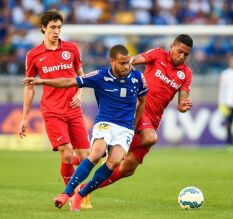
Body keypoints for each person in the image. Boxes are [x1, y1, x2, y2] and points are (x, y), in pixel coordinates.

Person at [24, 44, 148, 211]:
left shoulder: (138, 77)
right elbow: (69, 81)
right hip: (105, 122)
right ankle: (66, 194)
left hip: (125, 128)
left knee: (114, 162)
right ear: (112, 62)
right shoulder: (100, 75)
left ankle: (80, 195)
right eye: (122, 63)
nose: (126, 66)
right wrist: (42, 81)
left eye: (127, 63)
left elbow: (142, 102)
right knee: (96, 154)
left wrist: (133, 126)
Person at [90, 34, 194, 199]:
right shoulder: (158, 54)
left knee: (127, 170)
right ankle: (115, 146)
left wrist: (183, 106)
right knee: (150, 138)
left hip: (154, 119)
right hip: (138, 108)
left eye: (186, 54)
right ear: (172, 46)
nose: (181, 57)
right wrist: (128, 64)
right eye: (179, 51)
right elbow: (135, 59)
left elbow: (182, 100)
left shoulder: (186, 74)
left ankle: (84, 191)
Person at [18, 9, 92, 208]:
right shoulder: (33, 55)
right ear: (43, 28)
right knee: (67, 154)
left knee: (86, 157)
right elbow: (30, 86)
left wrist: (79, 93)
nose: (57, 31)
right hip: (52, 111)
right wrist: (24, 117)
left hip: (73, 109)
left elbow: (80, 75)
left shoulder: (72, 48)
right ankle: (73, 195)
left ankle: (80, 188)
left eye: (59, 27)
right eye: (53, 27)